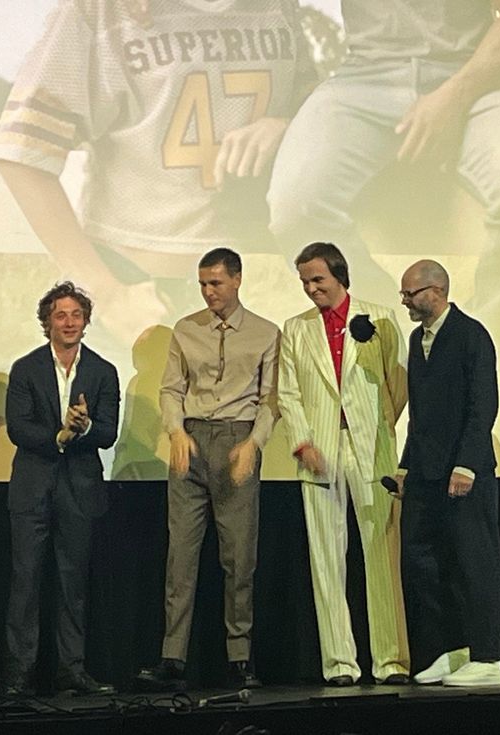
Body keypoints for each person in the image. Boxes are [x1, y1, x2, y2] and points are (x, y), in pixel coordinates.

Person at [0, 0, 316, 352]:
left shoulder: (280, 6)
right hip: (141, 291)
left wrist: (289, 126)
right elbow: (21, 154)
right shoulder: (101, 10)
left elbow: (316, 111)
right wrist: (109, 297)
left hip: (253, 294)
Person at [267, 0, 500, 346]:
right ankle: (386, 332)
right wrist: (277, 113)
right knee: (295, 206)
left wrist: (456, 94)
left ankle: (466, 342)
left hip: (475, 75)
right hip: (363, 77)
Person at [136, 248, 279, 691]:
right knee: (181, 555)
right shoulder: (186, 329)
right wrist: (176, 431)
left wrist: (254, 444)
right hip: (192, 441)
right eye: (202, 284)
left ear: (237, 279)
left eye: (215, 283)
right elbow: (171, 389)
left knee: (239, 557)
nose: (208, 292)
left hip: (237, 441)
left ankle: (239, 657)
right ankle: (172, 656)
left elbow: (270, 399)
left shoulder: (265, 332)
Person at [277, 242, 409, 686]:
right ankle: (339, 664)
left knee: (382, 551)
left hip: (372, 447)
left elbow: (397, 380)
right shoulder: (296, 328)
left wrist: (380, 424)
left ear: (339, 275)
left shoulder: (379, 318)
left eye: (318, 279)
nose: (311, 288)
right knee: (326, 557)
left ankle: (391, 660)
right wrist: (303, 442)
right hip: (320, 449)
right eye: (305, 282)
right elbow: (288, 392)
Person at [0, 282, 120, 696]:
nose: (69, 322)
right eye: (60, 315)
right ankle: (19, 672)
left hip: (80, 490)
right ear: (47, 322)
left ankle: (72, 670)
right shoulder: (25, 368)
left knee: (74, 584)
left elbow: (108, 433)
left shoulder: (103, 371)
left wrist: (84, 429)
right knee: (25, 582)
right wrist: (58, 436)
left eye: (76, 315)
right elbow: (18, 428)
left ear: (86, 321)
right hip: (32, 488)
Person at [391, 259, 500, 687]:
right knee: (424, 562)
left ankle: (487, 657)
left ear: (436, 290)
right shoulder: (417, 339)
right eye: (404, 294)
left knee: (475, 562)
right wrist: (406, 464)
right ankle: (450, 650)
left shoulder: (471, 335)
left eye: (411, 293)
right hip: (424, 473)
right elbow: (419, 413)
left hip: (463, 472)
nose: (405, 301)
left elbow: (483, 404)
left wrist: (467, 464)